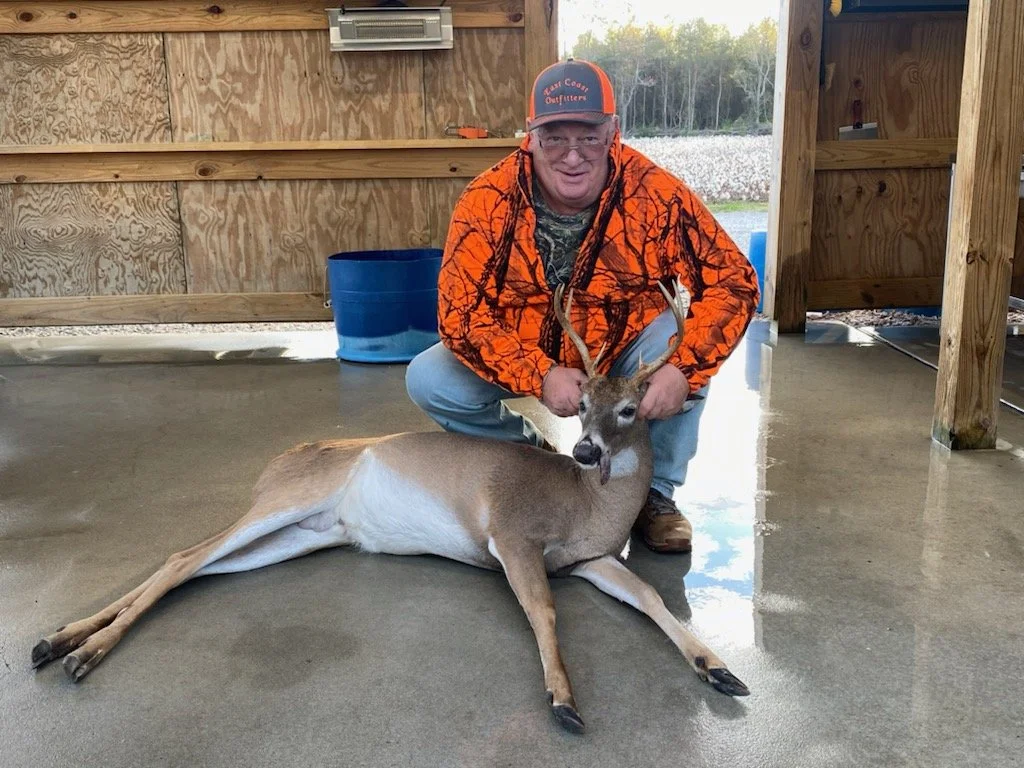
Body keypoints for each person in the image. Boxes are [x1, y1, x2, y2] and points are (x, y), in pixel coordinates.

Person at [406, 58, 759, 554]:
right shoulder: (486, 202)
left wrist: (683, 369)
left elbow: (733, 282)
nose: (573, 156)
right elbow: (459, 317)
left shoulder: (655, 196)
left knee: (678, 344)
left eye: (589, 137)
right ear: (530, 137)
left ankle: (655, 497)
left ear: (613, 133)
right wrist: (538, 373)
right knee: (429, 380)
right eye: (555, 137)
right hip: (528, 350)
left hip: (623, 353)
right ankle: (539, 459)